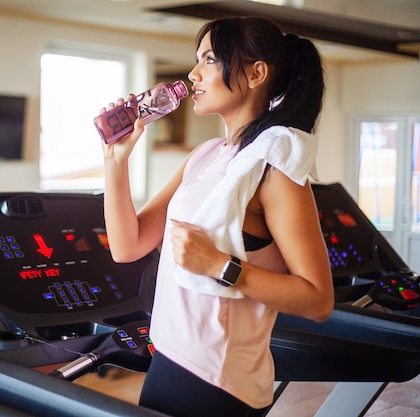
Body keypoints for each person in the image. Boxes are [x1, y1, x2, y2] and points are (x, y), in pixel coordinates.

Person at [99, 16, 335, 417]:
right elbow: (128, 245)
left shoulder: (273, 168)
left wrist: (219, 265)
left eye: (209, 59)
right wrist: (115, 161)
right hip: (170, 357)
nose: (193, 74)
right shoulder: (207, 154)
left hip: (217, 380)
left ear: (257, 73)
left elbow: (318, 300)